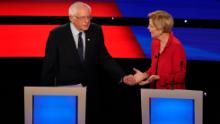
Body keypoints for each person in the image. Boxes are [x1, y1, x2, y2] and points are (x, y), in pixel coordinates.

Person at [41, 1, 127, 124]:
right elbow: (49, 66)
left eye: (89, 17)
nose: (87, 21)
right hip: (66, 93)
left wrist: (122, 76)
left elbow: (104, 57)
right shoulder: (57, 34)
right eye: (82, 17)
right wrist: (46, 95)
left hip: (91, 93)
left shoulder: (96, 30)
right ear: (71, 18)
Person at [124, 10, 186, 89]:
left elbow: (180, 77)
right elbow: (154, 68)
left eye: (151, 26)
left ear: (160, 29)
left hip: (172, 95)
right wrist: (144, 75)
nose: (148, 28)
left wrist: (160, 78)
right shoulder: (155, 43)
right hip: (155, 92)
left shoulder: (176, 46)